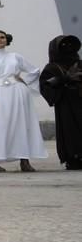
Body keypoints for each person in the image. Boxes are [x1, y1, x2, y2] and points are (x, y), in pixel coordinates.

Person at [0, 30, 46, 172]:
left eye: (2, 37)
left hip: (19, 93)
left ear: (6, 39)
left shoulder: (15, 57)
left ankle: (24, 161)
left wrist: (24, 80)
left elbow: (34, 71)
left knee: (22, 124)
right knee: (0, 125)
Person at [39, 35, 82, 170]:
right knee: (70, 131)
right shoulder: (51, 67)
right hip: (66, 105)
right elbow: (45, 86)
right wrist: (64, 79)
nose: (67, 48)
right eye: (63, 45)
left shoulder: (79, 64)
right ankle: (73, 158)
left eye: (70, 45)